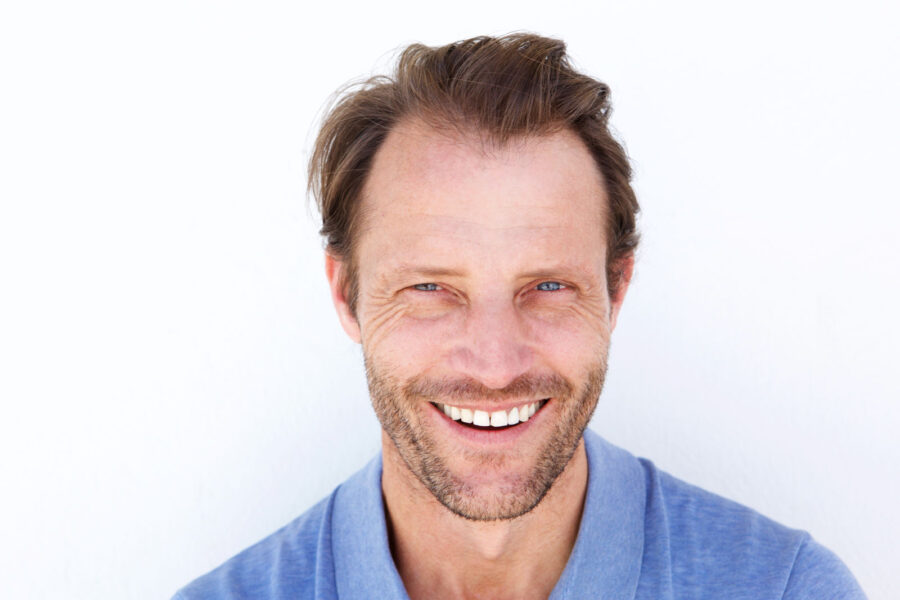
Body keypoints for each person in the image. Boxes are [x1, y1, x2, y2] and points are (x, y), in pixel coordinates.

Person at [173, 33, 866, 599]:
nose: (497, 363)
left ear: (615, 291)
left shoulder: (789, 590)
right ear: (346, 294)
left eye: (549, 287)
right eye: (430, 288)